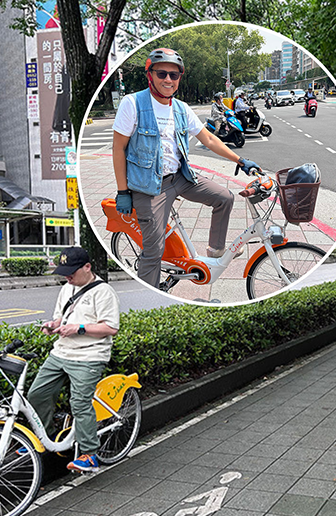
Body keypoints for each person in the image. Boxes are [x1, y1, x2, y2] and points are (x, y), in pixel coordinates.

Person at [111, 48, 260, 289]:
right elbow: (118, 149)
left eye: (174, 75)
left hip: (180, 177)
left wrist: (239, 161)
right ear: (150, 75)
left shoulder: (181, 108)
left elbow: (209, 140)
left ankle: (215, 251)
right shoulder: (133, 104)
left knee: (224, 197)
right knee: (153, 249)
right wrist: (123, 192)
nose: (168, 80)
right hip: (150, 188)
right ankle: (146, 301)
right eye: (162, 74)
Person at [27, 247, 120, 473]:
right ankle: (44, 438)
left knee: (79, 403)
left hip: (89, 356)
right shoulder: (68, 288)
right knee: (36, 394)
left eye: (72, 272)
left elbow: (110, 328)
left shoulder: (104, 292)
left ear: (87, 267)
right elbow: (61, 317)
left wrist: (78, 328)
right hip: (61, 352)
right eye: (64, 272)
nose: (67, 277)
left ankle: (89, 455)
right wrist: (53, 326)